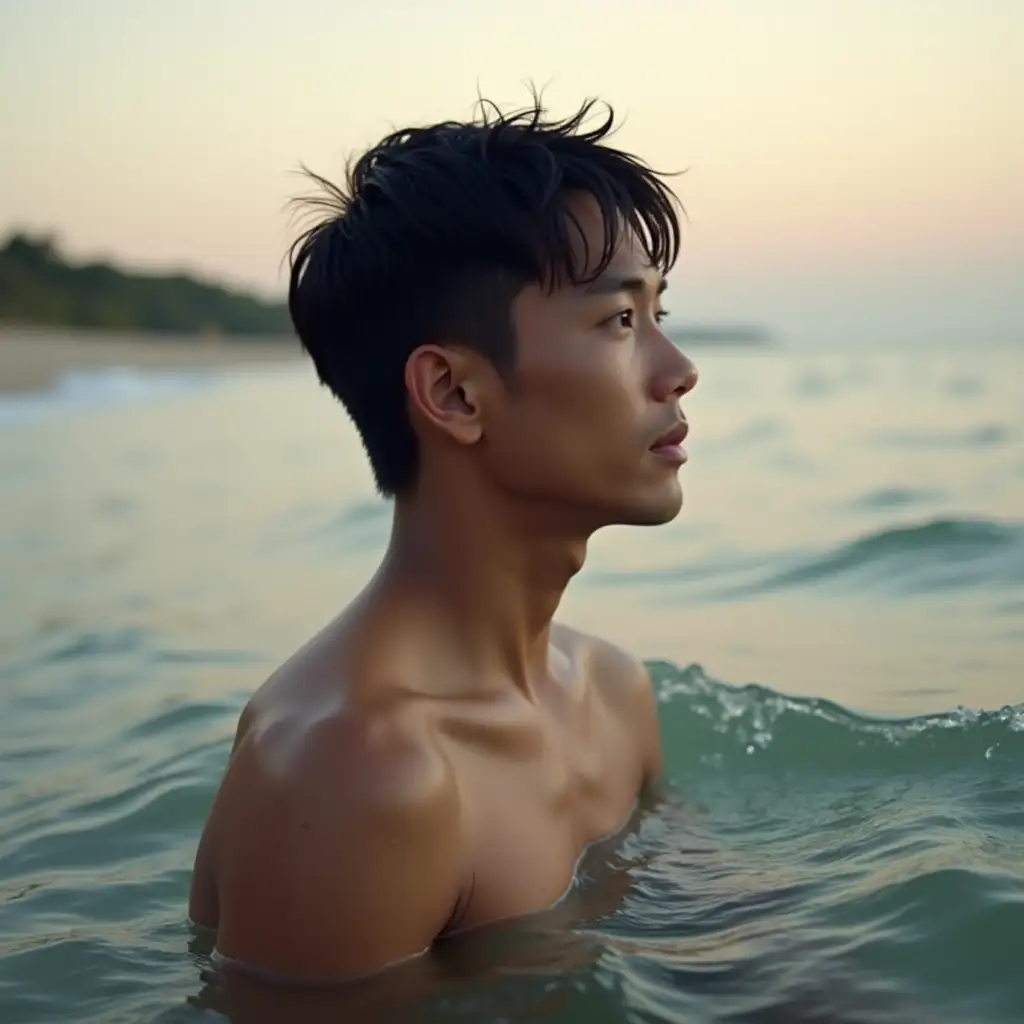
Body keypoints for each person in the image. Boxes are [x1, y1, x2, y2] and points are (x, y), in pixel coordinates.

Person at [188, 93, 699, 985]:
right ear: (456, 394)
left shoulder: (616, 694)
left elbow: (722, 947)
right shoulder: (352, 781)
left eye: (660, 313)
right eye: (621, 322)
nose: (679, 370)